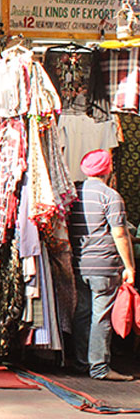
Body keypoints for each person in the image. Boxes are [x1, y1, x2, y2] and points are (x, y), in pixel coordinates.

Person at [69, 149, 136, 381]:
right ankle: (99, 367)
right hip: (104, 265)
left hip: (79, 264)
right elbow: (120, 234)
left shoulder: (74, 194)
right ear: (108, 171)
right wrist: (129, 266)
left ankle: (81, 362)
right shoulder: (111, 196)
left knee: (83, 312)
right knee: (101, 316)